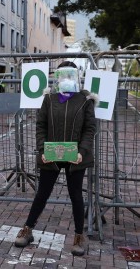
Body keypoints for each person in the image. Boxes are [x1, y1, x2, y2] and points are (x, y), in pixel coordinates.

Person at [14, 61, 97, 256]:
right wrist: (42, 148)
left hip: (75, 156)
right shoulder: (49, 99)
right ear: (58, 77)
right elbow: (41, 125)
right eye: (63, 75)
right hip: (51, 154)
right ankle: (27, 229)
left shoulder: (85, 100)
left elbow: (90, 128)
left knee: (76, 195)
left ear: (76, 77)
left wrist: (82, 151)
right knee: (42, 193)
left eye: (70, 75)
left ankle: (78, 236)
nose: (66, 79)